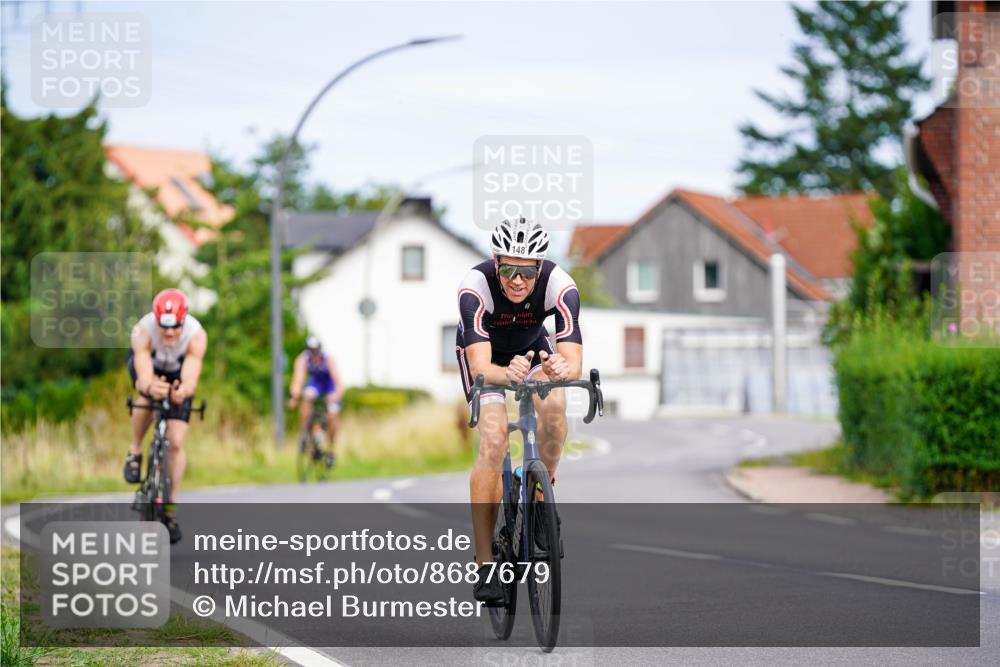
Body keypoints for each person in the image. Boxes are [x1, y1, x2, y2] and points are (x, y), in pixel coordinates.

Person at [455, 217, 582, 603]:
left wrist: (561, 368)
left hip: (531, 349)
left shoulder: (561, 285)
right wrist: (504, 374)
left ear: (540, 267)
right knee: (494, 442)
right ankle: (484, 563)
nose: (517, 281)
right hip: (486, 358)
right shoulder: (474, 289)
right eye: (508, 269)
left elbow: (573, 362)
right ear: (495, 262)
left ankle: (542, 498)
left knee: (555, 406)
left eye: (527, 272)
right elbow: (481, 367)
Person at [124, 288, 207, 544]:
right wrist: (150, 386)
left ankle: (170, 506)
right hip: (150, 366)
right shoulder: (142, 331)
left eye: (175, 328)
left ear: (184, 321)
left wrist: (184, 390)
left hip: (178, 373)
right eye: (164, 327)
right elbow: (143, 374)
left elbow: (191, 376)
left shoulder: (196, 335)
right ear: (156, 320)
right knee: (146, 399)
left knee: (176, 441)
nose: (169, 333)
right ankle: (135, 450)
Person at [288, 336, 344, 465]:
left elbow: (338, 382)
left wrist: (336, 395)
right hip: (316, 383)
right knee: (307, 397)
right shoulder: (303, 359)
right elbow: (298, 379)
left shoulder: (328, 359)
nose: (314, 354)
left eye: (316, 351)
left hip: (330, 385)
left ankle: (331, 449)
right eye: (311, 351)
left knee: (332, 416)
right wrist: (294, 397)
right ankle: (304, 434)